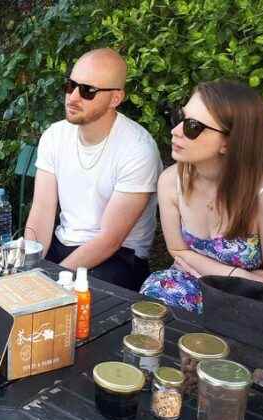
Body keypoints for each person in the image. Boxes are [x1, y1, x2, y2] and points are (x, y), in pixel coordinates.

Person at [140, 80, 263, 312]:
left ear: (229, 142)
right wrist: (237, 274)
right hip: (203, 281)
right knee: (153, 303)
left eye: (192, 126)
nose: (175, 131)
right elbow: (178, 251)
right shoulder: (171, 182)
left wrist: (222, 275)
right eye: (178, 117)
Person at [25, 48, 163, 291]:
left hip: (119, 257)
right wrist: (29, 266)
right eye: (71, 85)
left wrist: (53, 283)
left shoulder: (138, 149)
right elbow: (42, 210)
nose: (73, 97)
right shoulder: (55, 136)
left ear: (115, 99)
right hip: (63, 243)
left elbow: (109, 240)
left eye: (88, 91)